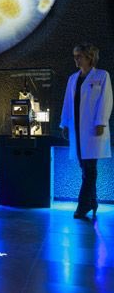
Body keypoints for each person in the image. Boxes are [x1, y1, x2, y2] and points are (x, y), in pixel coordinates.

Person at [59, 44, 112, 220]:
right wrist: (65, 124)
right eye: (75, 56)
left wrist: (101, 122)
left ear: (89, 57)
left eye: (79, 56)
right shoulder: (72, 79)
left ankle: (83, 205)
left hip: (93, 129)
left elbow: (106, 100)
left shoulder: (102, 76)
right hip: (77, 129)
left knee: (90, 168)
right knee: (84, 167)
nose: (76, 59)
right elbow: (67, 103)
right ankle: (93, 201)